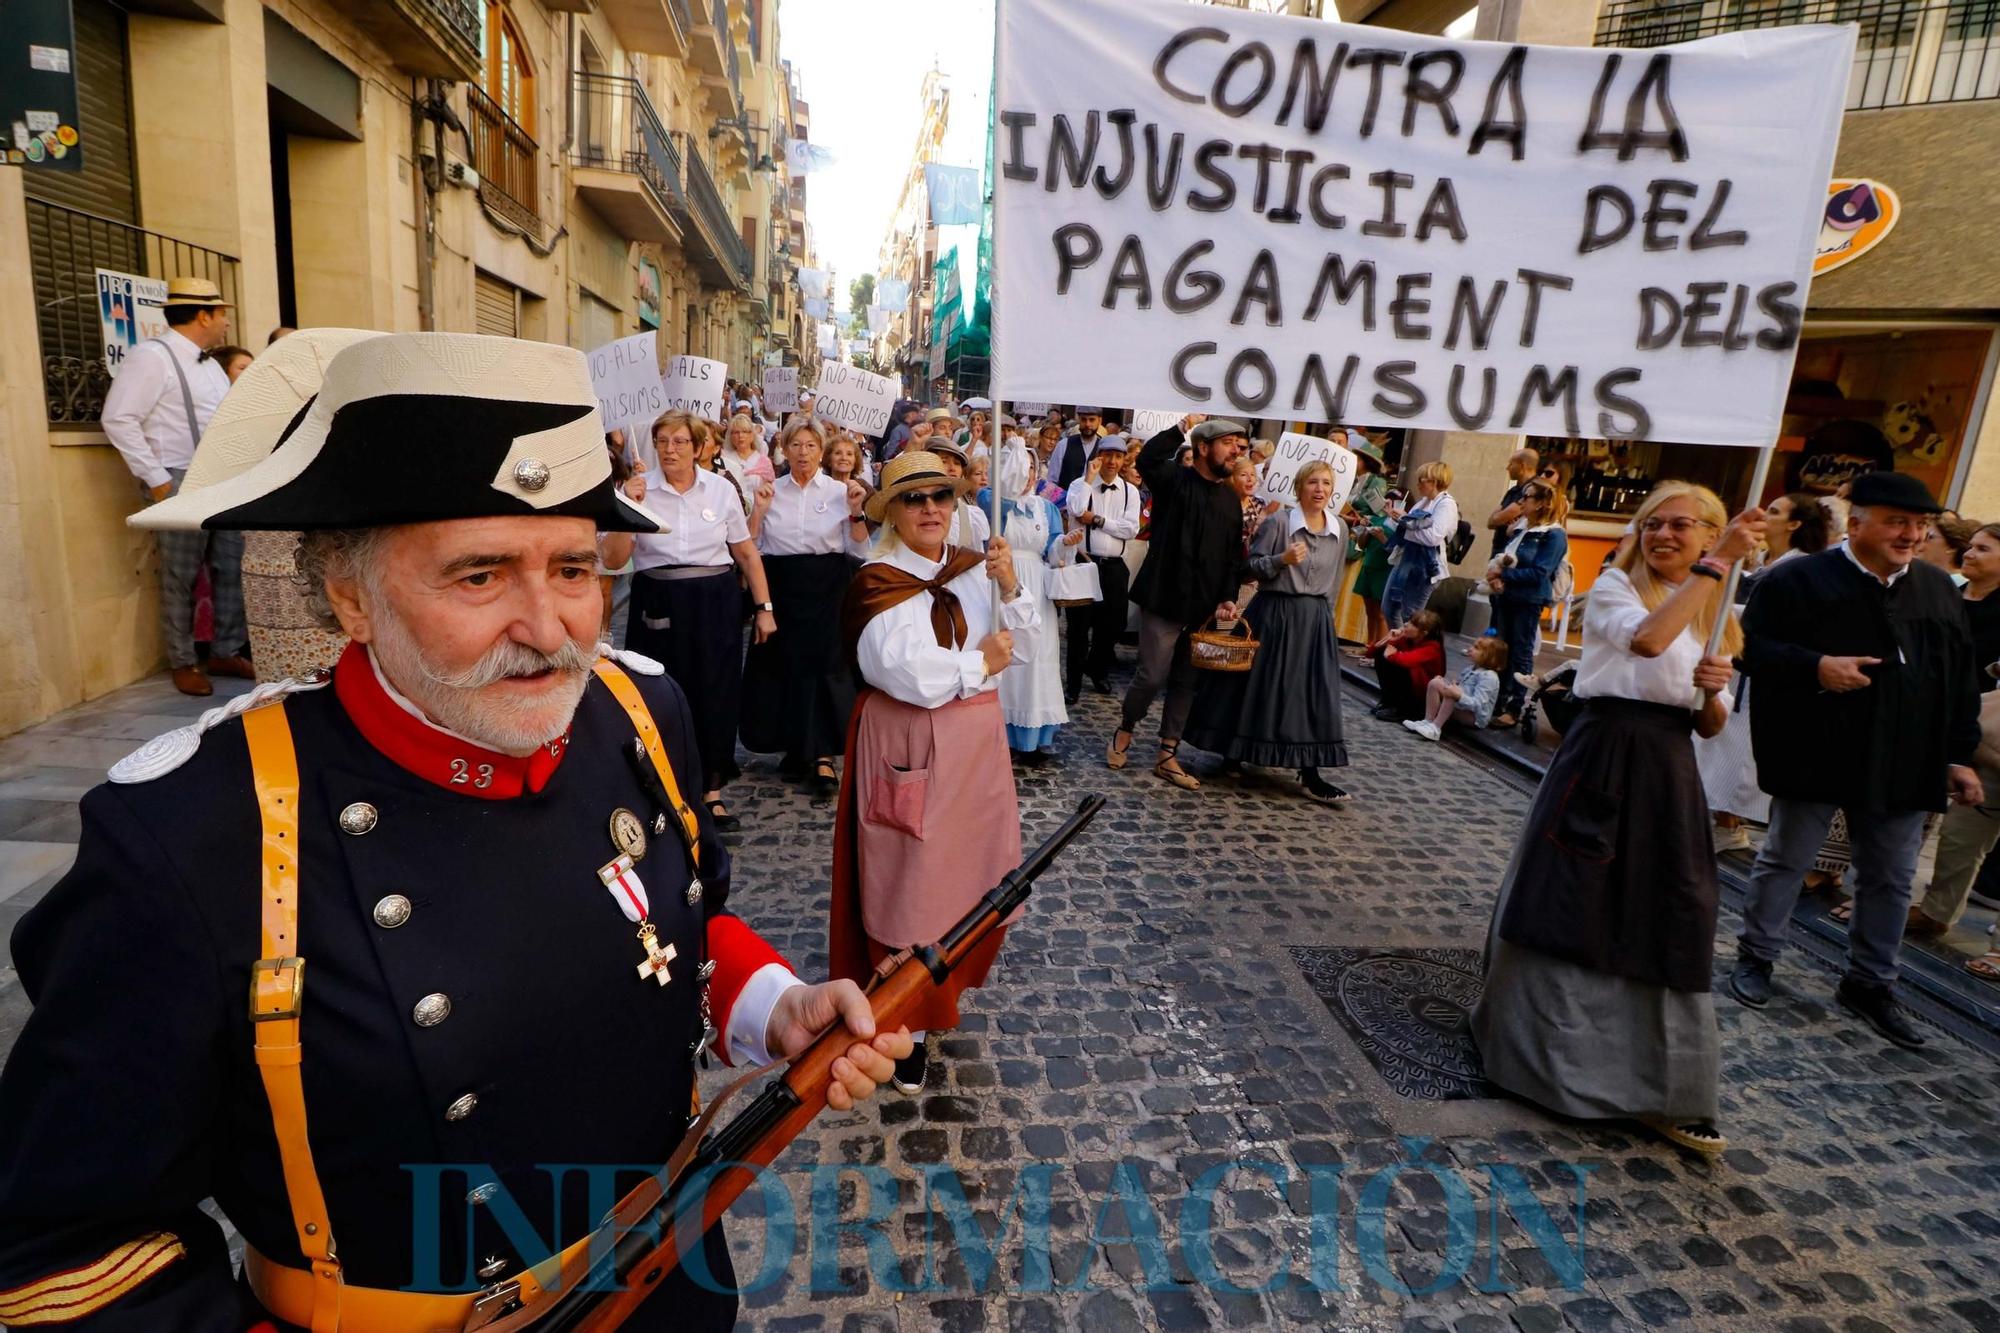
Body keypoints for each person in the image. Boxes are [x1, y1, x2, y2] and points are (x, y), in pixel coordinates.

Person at [0, 332, 908, 1331]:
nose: (549, 623)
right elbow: (61, 1248)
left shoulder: (643, 713)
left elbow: (680, 915)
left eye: (572, 566)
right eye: (479, 575)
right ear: (349, 593)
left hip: (671, 1287)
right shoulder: (197, 829)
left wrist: (773, 1004)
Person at [1473, 482, 1761, 1156]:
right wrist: (1715, 561)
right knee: (1575, 899)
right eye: (1652, 524)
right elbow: (1648, 642)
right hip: (1602, 756)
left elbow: (1705, 721)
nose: (1662, 535)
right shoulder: (1613, 586)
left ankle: (1666, 1085)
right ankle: (1545, 1061)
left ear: (1709, 529)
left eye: (1681, 525)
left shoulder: (1712, 608)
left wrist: (1716, 692)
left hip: (1667, 770)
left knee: (1672, 910)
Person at [1729, 471, 1981, 1051]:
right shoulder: (1799, 578)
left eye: (1920, 525)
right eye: (1898, 522)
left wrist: (1958, 755)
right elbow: (1750, 650)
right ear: (1859, 521)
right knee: (1787, 859)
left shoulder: (1939, 590)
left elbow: (1959, 679)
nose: (1912, 535)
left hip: (1905, 755)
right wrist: (1815, 666)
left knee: (1890, 878)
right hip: (1819, 744)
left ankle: (1870, 983)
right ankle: (1757, 957)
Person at [831, 450, 1037, 1093]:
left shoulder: (975, 569)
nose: (929, 510)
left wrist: (1010, 587)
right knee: (910, 886)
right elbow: (912, 676)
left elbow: (1023, 647)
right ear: (891, 509)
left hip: (974, 748)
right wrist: (979, 664)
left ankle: (942, 996)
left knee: (967, 882)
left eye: (940, 498)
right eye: (914, 499)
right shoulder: (876, 580)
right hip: (910, 744)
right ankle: (905, 1028)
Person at [624, 412, 777, 833]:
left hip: (715, 600)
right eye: (662, 441)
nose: (669, 449)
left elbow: (746, 553)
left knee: (716, 692)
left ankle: (711, 790)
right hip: (658, 598)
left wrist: (764, 609)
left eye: (679, 441)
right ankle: (666, 789)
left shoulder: (720, 491)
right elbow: (616, 559)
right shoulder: (638, 490)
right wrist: (628, 507)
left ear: (698, 447)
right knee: (660, 692)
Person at [100, 276, 250, 696]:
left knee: (231, 565)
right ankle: (183, 661)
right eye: (221, 314)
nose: (225, 323)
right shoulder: (151, 357)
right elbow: (118, 418)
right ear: (203, 315)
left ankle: (224, 649)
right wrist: (158, 478)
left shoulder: (208, 363)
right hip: (178, 477)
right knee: (181, 575)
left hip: (219, 477)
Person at [1184, 458, 1352, 804]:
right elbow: (1251, 566)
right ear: (1299, 487)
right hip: (1276, 611)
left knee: (1310, 692)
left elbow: (1335, 579)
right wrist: (1281, 560)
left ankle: (1310, 770)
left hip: (1314, 619)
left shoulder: (1340, 529)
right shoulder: (1279, 522)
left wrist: (1327, 620)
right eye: (1312, 482)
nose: (1319, 489)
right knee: (1255, 685)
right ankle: (1234, 750)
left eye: (1325, 483)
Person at [1110, 417, 1247, 790]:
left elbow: (1233, 558)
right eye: (1229, 443)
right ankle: (1126, 726)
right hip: (1164, 598)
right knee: (1152, 675)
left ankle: (1167, 754)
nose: (1237, 450)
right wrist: (1181, 427)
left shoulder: (1231, 502)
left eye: (1241, 445)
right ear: (1203, 448)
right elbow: (1148, 460)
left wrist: (1227, 598)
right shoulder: (1174, 481)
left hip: (1203, 609)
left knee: (1188, 681)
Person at [740, 419, 871, 795]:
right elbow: (748, 543)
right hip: (780, 583)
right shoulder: (769, 490)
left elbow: (859, 547)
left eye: (811, 446)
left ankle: (823, 753)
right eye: (796, 445)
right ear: (785, 448)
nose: (803, 453)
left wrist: (856, 511)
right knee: (784, 665)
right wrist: (759, 511)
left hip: (827, 585)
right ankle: (795, 747)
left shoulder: (838, 491)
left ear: (821, 450)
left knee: (825, 666)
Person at [1697, 490, 1833, 852]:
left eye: (1774, 511)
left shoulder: (1799, 568)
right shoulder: (1768, 562)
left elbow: (1785, 623)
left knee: (1739, 752)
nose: (1762, 515)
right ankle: (1721, 819)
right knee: (1724, 746)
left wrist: (1731, 616)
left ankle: (1730, 823)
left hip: (1762, 670)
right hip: (1739, 663)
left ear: (1794, 524)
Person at [1909, 521, 2000, 944]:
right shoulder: (1947, 594)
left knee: (1966, 831)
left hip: (1983, 728)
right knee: (1959, 836)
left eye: (1984, 549)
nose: (1972, 553)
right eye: (1973, 545)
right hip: (1945, 725)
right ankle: (1933, 912)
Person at [981, 449, 1076, 758]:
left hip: (1035, 584)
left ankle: (1034, 735)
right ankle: (999, 729)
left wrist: (1064, 544)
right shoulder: (991, 500)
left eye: (1030, 469)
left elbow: (1051, 547)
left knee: (1038, 653)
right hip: (1001, 579)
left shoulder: (1046, 508)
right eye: (1019, 470)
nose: (1026, 476)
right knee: (1006, 649)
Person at [1485, 477, 1570, 730]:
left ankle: (1514, 707)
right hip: (1505, 596)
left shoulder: (1552, 535)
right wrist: (1497, 577)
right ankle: (1495, 700)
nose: (1521, 501)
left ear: (1543, 503)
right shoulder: (1523, 529)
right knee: (1500, 649)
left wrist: (1504, 577)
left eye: (1527, 497)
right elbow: (1506, 558)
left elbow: (1540, 572)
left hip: (1527, 600)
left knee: (1520, 652)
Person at [1064, 434, 1140, 701]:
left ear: (1123, 460)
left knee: (1114, 624)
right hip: (1084, 563)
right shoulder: (1079, 484)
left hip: (1114, 567)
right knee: (1078, 628)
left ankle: (1096, 669)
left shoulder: (1131, 491)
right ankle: (1072, 684)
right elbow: (1075, 509)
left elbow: (1131, 529)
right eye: (1107, 455)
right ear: (1098, 456)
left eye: (1118, 456)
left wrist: (1097, 519)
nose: (1111, 461)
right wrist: (1087, 480)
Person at [1381, 461, 1460, 629]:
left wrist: (1403, 521)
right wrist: (1392, 517)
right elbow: (1405, 529)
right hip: (1406, 559)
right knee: (1389, 608)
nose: (1417, 483)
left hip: (1425, 566)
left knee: (1411, 615)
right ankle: (1399, 646)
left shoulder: (1446, 504)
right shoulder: (1423, 502)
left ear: (1434, 482)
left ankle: (1407, 650)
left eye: (1421, 480)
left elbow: (1433, 537)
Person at [1342, 437, 1395, 658]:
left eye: (1358, 457)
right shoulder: (1355, 481)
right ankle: (1369, 644)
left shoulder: (1376, 482)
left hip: (1368, 537)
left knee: (1377, 605)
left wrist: (1357, 519)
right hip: (1356, 535)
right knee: (1369, 602)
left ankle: (1374, 647)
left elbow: (1378, 512)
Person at [1406, 634, 1507, 741]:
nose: (1470, 649)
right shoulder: (1469, 669)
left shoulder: (1489, 677)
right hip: (1462, 707)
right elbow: (1459, 687)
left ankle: (1436, 728)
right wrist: (1446, 684)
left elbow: (1478, 705)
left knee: (1451, 694)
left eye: (1476, 648)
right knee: (1435, 683)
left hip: (1475, 718)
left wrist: (1458, 696)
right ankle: (1428, 721)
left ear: (1489, 656)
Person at [1368, 611, 1446, 721]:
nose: (1405, 624)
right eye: (1409, 621)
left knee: (1404, 667)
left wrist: (1392, 654)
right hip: (1412, 685)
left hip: (1422, 694)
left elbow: (1406, 661)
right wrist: (1387, 639)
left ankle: (1403, 710)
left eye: (1413, 624)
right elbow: (1371, 653)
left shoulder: (1433, 647)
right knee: (1382, 656)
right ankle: (1388, 702)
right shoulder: (1407, 638)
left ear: (1423, 633)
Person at [929, 438, 991, 550]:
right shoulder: (915, 508)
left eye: (957, 463)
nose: (952, 468)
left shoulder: (970, 515)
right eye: (944, 461)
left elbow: (977, 559)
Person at [1484, 447, 1541, 561]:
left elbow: (1502, 516)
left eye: (1511, 464)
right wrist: (1502, 517)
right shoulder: (1513, 490)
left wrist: (1502, 517)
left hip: (1514, 555)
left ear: (1522, 465)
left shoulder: (1533, 489)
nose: (1508, 468)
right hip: (1499, 551)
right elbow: (1491, 522)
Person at [719, 411, 777, 498]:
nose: (740, 436)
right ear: (730, 436)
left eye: (745, 431)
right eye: (736, 432)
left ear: (752, 435)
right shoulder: (724, 458)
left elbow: (771, 490)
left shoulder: (764, 462)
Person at [1049, 406, 1106, 492]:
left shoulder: (1103, 448)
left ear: (1100, 421)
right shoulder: (1064, 445)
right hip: (1064, 502)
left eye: (1092, 420)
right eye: (1083, 420)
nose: (1087, 424)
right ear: (1079, 420)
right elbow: (1052, 480)